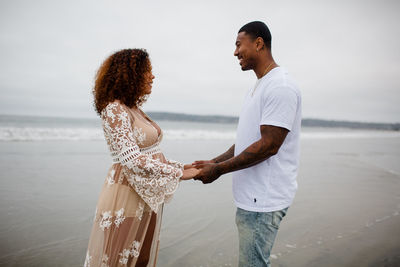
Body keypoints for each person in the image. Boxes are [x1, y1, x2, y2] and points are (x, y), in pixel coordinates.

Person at [192, 21, 302, 266]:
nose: (235, 52)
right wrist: (214, 161)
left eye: (238, 45)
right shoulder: (258, 87)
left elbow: (269, 145)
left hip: (263, 200)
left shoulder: (280, 85)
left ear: (259, 43)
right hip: (252, 199)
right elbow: (246, 142)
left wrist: (219, 170)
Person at [84, 48, 199, 267]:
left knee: (142, 259)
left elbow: (149, 154)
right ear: (131, 73)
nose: (152, 76)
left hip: (147, 191)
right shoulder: (114, 110)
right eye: (148, 71)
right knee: (121, 260)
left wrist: (180, 165)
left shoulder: (134, 108)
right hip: (125, 192)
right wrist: (179, 173)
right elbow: (132, 160)